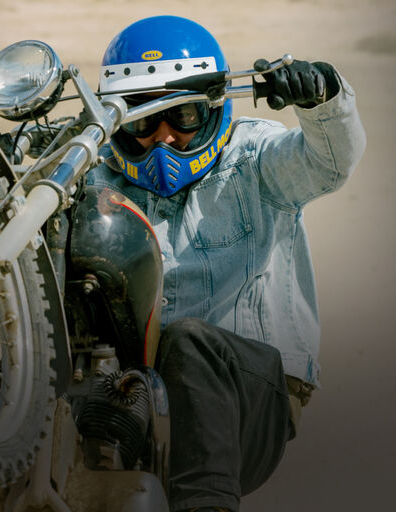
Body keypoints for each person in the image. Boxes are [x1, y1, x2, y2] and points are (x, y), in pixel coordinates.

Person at [87, 15, 366, 512]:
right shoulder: (98, 180)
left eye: (183, 114)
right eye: (143, 119)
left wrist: (321, 95)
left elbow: (330, 163)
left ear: (212, 107)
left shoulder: (254, 159)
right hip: (134, 394)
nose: (164, 136)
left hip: (250, 398)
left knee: (188, 341)